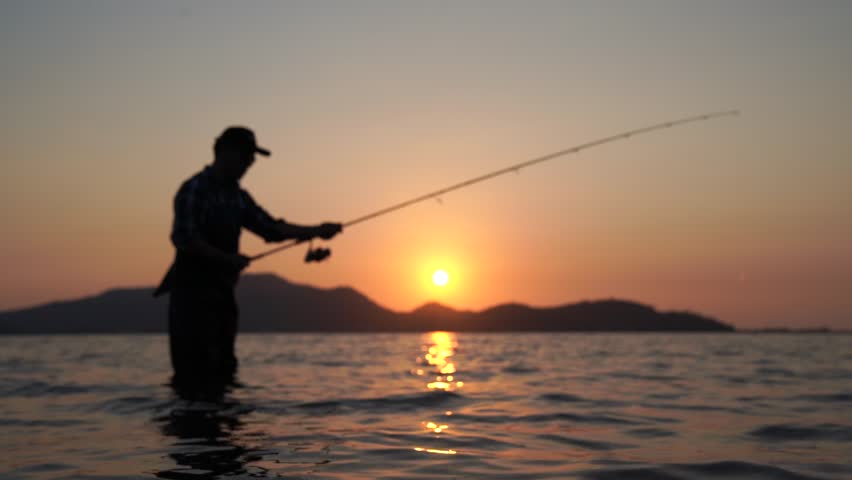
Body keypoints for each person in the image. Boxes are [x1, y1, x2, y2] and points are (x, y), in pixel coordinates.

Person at [154, 126, 342, 396]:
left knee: (224, 371)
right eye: (246, 156)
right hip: (191, 297)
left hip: (222, 296)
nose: (250, 163)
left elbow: (270, 228)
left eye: (251, 158)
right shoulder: (193, 189)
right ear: (225, 152)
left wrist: (316, 230)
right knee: (192, 374)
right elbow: (184, 238)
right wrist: (226, 259)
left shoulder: (238, 197)